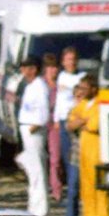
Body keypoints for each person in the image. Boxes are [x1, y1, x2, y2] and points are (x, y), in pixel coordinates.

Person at [67, 73, 109, 216]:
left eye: (85, 88)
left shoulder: (100, 104)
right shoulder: (83, 104)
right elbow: (70, 123)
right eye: (80, 88)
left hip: (97, 153)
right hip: (84, 154)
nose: (81, 91)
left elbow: (94, 125)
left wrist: (81, 122)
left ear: (94, 89)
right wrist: (82, 121)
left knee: (100, 190)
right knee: (86, 190)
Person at [15, 56, 50, 216]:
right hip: (26, 128)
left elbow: (43, 111)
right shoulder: (30, 86)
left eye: (25, 68)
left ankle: (40, 209)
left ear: (33, 69)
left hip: (33, 129)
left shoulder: (40, 86)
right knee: (31, 169)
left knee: (37, 170)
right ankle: (33, 205)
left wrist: (34, 127)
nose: (22, 71)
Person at [55, 47, 82, 216]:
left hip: (76, 124)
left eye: (73, 59)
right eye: (68, 59)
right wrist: (56, 120)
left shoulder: (81, 77)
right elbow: (59, 101)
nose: (71, 62)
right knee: (66, 166)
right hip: (63, 123)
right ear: (63, 62)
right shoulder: (61, 77)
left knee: (75, 175)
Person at [42, 53, 62, 202]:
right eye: (50, 67)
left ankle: (56, 189)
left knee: (55, 158)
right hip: (41, 122)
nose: (53, 70)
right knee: (41, 156)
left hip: (55, 123)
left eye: (55, 67)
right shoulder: (40, 84)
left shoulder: (60, 86)